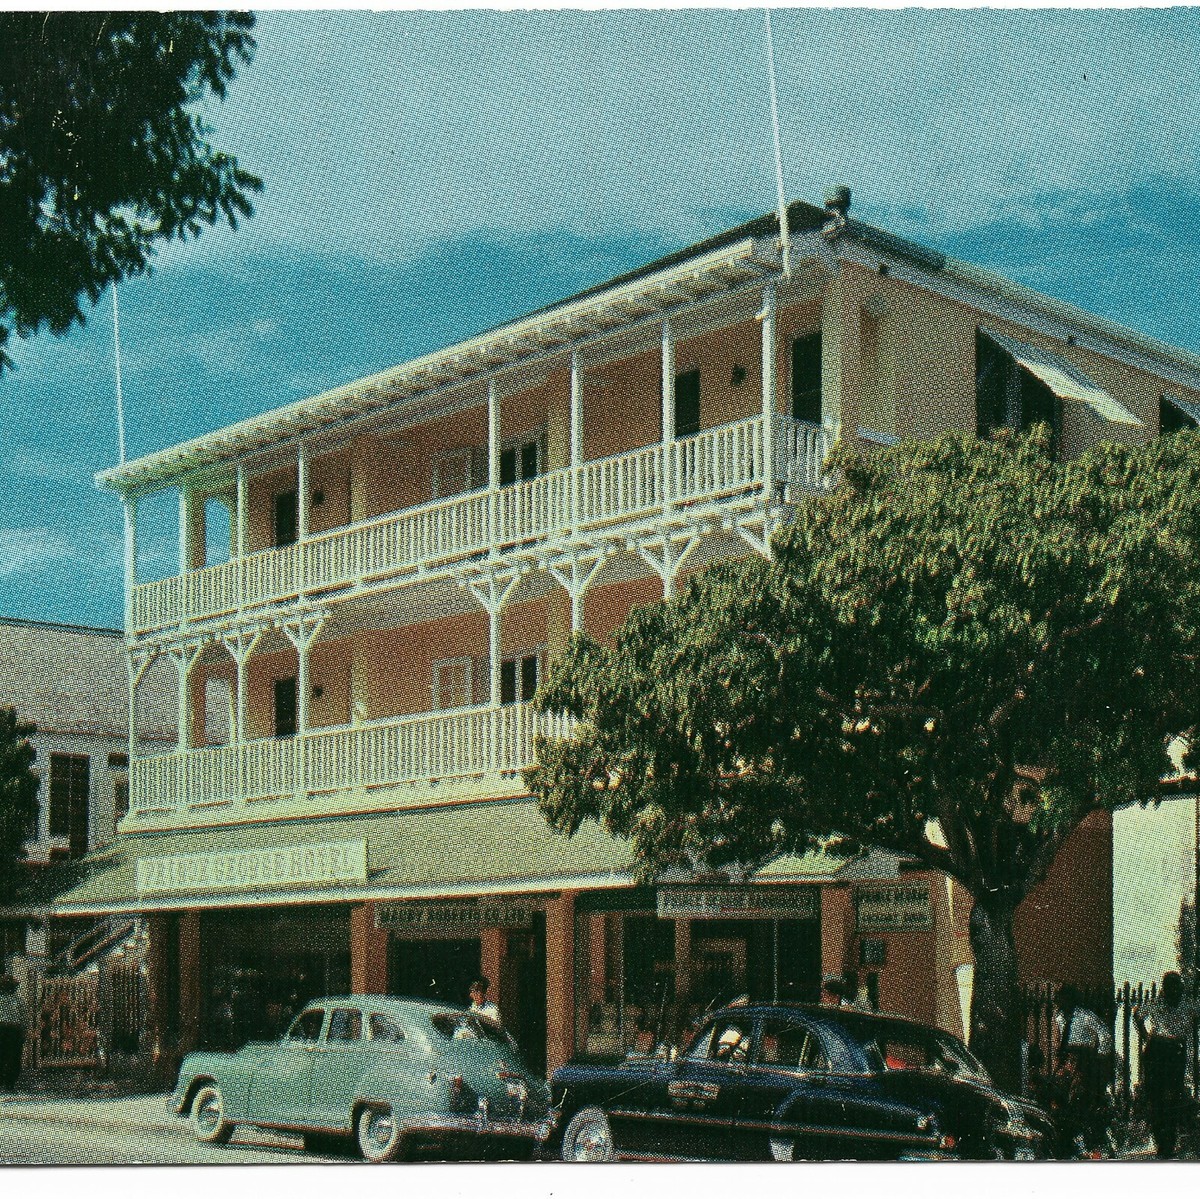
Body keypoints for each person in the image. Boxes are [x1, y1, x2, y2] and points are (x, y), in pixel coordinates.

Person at [1135, 971, 1194, 1159]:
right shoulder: (1156, 1003)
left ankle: (1169, 1142)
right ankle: (1162, 1143)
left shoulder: (1187, 1004)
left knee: (1173, 1096)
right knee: (1156, 1098)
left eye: (1176, 987)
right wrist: (1146, 1037)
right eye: (1169, 988)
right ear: (1164, 989)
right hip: (1157, 1049)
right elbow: (1137, 1014)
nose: (1173, 991)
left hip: (1176, 1051)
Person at [1053, 984, 1113, 1153]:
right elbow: (1061, 1039)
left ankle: (1086, 1140)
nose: (1060, 1002)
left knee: (1079, 1098)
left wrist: (1099, 1055)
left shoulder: (1086, 1016)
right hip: (1067, 1059)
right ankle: (1067, 1140)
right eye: (1059, 999)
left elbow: (1105, 1034)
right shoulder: (1059, 1018)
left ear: (1071, 999)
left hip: (1084, 1059)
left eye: (1063, 998)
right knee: (1061, 1096)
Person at [0, 974, 28, 1092]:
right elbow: (24, 1018)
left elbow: (24, 1018)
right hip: (5, 1029)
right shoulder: (13, 1000)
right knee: (6, 1056)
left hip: (13, 1030)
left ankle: (9, 1083)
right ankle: (5, 1082)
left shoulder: (19, 1000)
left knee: (13, 1056)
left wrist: (24, 1031)